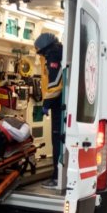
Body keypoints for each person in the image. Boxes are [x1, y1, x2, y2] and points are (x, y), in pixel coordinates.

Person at [34, 32, 63, 189]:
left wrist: (47, 103)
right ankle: (57, 175)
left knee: (57, 141)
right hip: (58, 104)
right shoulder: (55, 53)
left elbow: (55, 83)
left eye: (40, 52)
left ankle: (57, 178)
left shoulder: (53, 55)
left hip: (58, 105)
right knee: (57, 141)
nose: (41, 55)